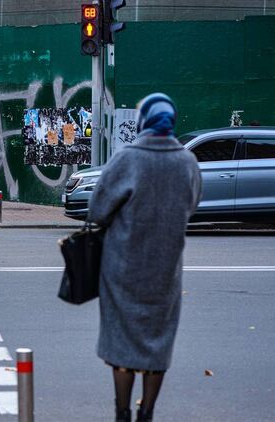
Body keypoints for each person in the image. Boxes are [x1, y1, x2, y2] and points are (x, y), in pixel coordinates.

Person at [87, 93, 201, 422]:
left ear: (143, 121)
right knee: (157, 343)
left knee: (122, 345)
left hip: (122, 270)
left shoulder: (127, 159)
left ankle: (122, 413)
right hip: (166, 271)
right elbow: (192, 206)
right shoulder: (187, 162)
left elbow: (97, 210)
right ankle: (146, 413)